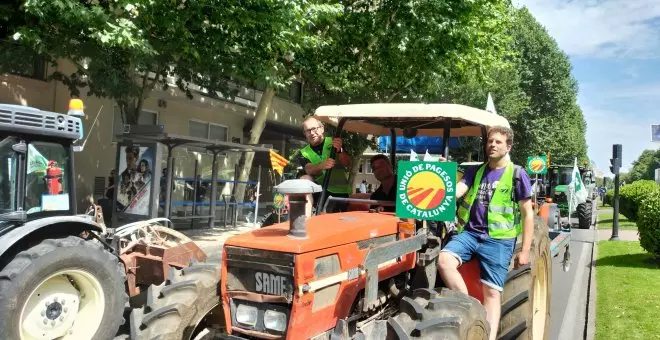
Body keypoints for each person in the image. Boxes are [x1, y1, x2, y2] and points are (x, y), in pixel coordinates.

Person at [437, 126, 533, 340]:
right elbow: (457, 191)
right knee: (444, 260)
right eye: (490, 141)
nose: (492, 145)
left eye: (498, 142)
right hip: (470, 234)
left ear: (508, 146)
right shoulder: (476, 171)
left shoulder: (517, 174)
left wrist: (524, 250)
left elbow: (528, 214)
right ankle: (470, 309)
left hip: (499, 241)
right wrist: (443, 177)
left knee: (491, 293)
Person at [297, 117, 352, 212]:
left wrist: (340, 150)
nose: (312, 133)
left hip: (340, 193)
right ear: (305, 134)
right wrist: (322, 165)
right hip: (320, 193)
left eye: (314, 129)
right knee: (304, 178)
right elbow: (308, 169)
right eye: (308, 131)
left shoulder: (335, 141)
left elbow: (347, 163)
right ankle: (306, 220)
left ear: (322, 128)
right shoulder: (303, 152)